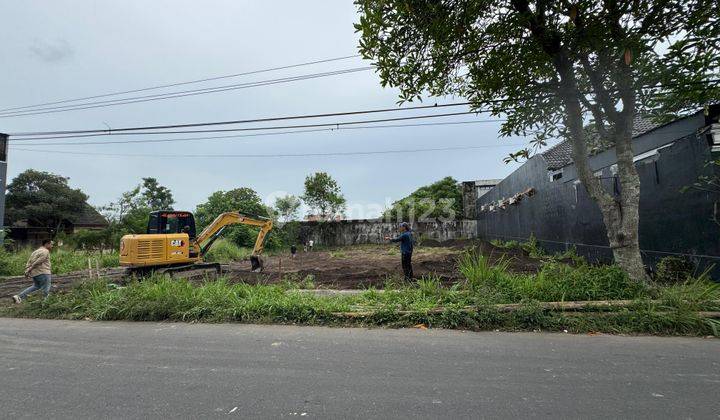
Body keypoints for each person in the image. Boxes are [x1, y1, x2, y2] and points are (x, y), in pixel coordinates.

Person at [12, 239, 54, 303]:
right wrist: (30, 269)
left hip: (35, 273)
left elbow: (29, 261)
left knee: (36, 286)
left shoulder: (35, 252)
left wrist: (27, 270)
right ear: (46, 244)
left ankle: (19, 297)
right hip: (43, 272)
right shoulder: (45, 251)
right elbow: (39, 261)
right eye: (51, 244)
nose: (52, 246)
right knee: (46, 289)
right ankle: (45, 303)